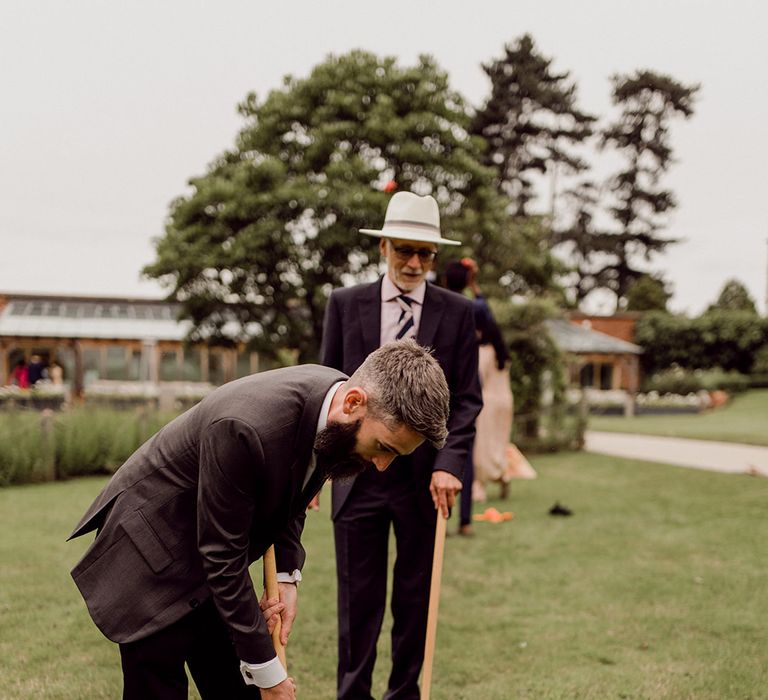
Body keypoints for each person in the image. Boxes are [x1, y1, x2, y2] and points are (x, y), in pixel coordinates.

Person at [68, 339, 450, 700]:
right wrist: (271, 677)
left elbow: (291, 489)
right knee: (160, 688)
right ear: (353, 402)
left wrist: (287, 575)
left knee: (238, 686)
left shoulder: (330, 408)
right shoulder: (246, 427)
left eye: (396, 455)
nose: (382, 466)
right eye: (383, 447)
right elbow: (222, 556)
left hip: (207, 557)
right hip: (150, 554)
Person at [321, 191, 482, 699]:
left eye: (425, 254)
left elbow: (468, 400)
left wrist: (450, 462)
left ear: (436, 258)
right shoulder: (344, 305)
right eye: (404, 250)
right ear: (383, 247)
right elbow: (326, 388)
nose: (414, 263)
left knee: (415, 599)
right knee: (358, 601)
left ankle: (405, 695)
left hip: (423, 483)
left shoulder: (458, 313)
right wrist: (318, 468)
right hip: (355, 477)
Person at [445, 259, 514, 504]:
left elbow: (474, 381)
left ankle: (478, 487)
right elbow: (484, 308)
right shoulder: (500, 351)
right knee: (497, 444)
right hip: (504, 402)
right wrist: (474, 285)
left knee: (481, 448)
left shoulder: (481, 351)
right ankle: (503, 476)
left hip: (485, 401)